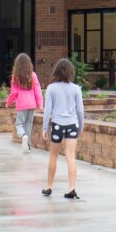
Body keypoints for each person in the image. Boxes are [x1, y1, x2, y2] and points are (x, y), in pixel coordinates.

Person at [40, 57, 85, 200]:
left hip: (57, 125)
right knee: (71, 156)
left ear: (56, 71)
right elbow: (80, 110)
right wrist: (81, 126)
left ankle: (49, 186)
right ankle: (71, 188)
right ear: (71, 72)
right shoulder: (76, 88)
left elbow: (48, 110)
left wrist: (45, 127)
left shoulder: (51, 88)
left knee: (53, 155)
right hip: (72, 124)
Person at [5, 52, 43, 156]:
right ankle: (27, 146)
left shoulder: (15, 77)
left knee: (19, 124)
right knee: (28, 124)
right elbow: (38, 90)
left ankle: (23, 136)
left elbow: (13, 93)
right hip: (32, 104)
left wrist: (8, 103)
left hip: (21, 104)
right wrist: (40, 104)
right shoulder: (33, 75)